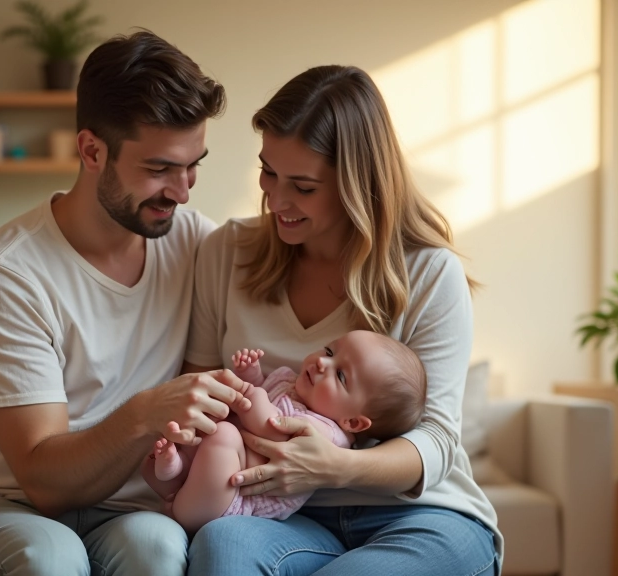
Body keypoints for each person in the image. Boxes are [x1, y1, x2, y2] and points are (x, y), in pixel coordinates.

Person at [0, 31, 249, 576]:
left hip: (130, 513)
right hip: (6, 511)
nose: (184, 190)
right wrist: (149, 411)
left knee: (159, 548)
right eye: (159, 169)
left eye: (194, 165)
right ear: (92, 150)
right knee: (49, 557)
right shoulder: (8, 274)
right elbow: (45, 484)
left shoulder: (196, 243)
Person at [184, 65, 502, 575]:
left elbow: (438, 440)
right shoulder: (227, 251)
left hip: (417, 516)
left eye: (303, 187)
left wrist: (335, 466)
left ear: (358, 184)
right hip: (283, 518)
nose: (277, 201)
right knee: (222, 550)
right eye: (268, 172)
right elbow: (196, 386)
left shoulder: (426, 271)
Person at [143, 330, 427, 533]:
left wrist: (249, 394)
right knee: (179, 444)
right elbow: (265, 393)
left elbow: (269, 425)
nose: (321, 362)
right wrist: (251, 375)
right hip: (210, 475)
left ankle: (184, 509)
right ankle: (173, 470)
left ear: (352, 422)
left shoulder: (327, 434)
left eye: (340, 375)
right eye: (329, 351)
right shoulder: (287, 381)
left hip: (236, 499)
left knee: (224, 435)